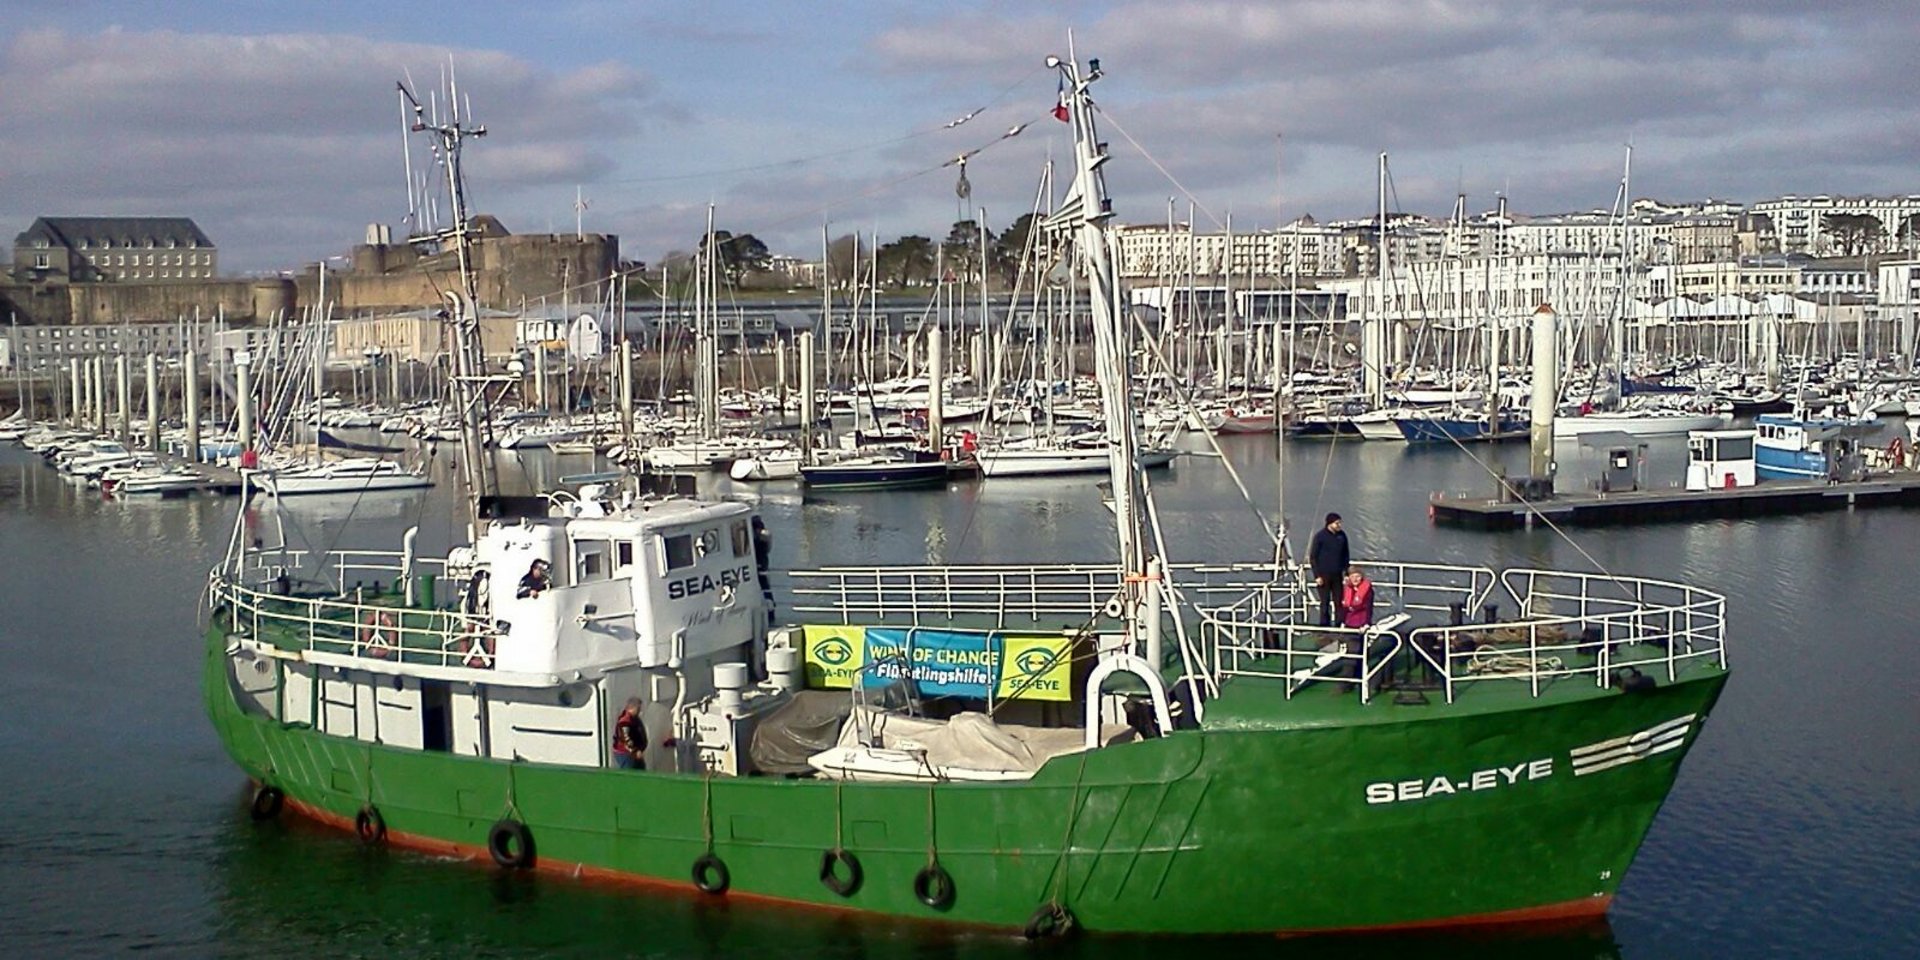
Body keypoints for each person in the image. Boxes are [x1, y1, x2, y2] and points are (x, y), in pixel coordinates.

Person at [1307, 513, 1350, 627]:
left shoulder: (1342, 536)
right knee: (1324, 602)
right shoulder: (1320, 536)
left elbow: (1345, 555)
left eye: (1340, 523)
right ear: (1330, 523)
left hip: (1337, 574)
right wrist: (1317, 576)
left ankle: (1339, 624)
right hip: (1324, 575)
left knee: (1339, 602)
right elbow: (1313, 557)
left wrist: (1346, 573)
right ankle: (1324, 626)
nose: (1339, 525)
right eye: (1337, 523)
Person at [613, 697, 646, 770]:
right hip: (626, 753)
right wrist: (635, 751)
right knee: (630, 773)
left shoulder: (635, 718)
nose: (640, 710)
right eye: (638, 708)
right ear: (632, 708)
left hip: (635, 752)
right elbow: (625, 738)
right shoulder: (625, 721)